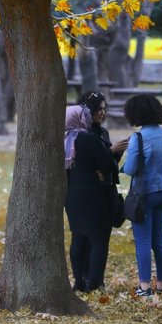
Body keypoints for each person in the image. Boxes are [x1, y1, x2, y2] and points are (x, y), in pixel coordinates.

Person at [121, 94, 162, 297]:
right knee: (159, 239)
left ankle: (144, 286)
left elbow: (131, 168)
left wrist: (122, 166)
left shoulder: (139, 138)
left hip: (144, 195)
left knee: (143, 240)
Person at [63, 104, 118, 293]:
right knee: (98, 240)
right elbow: (106, 165)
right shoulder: (89, 139)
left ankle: (78, 281)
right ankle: (93, 283)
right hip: (93, 196)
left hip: (71, 197)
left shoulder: (63, 141)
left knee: (78, 238)